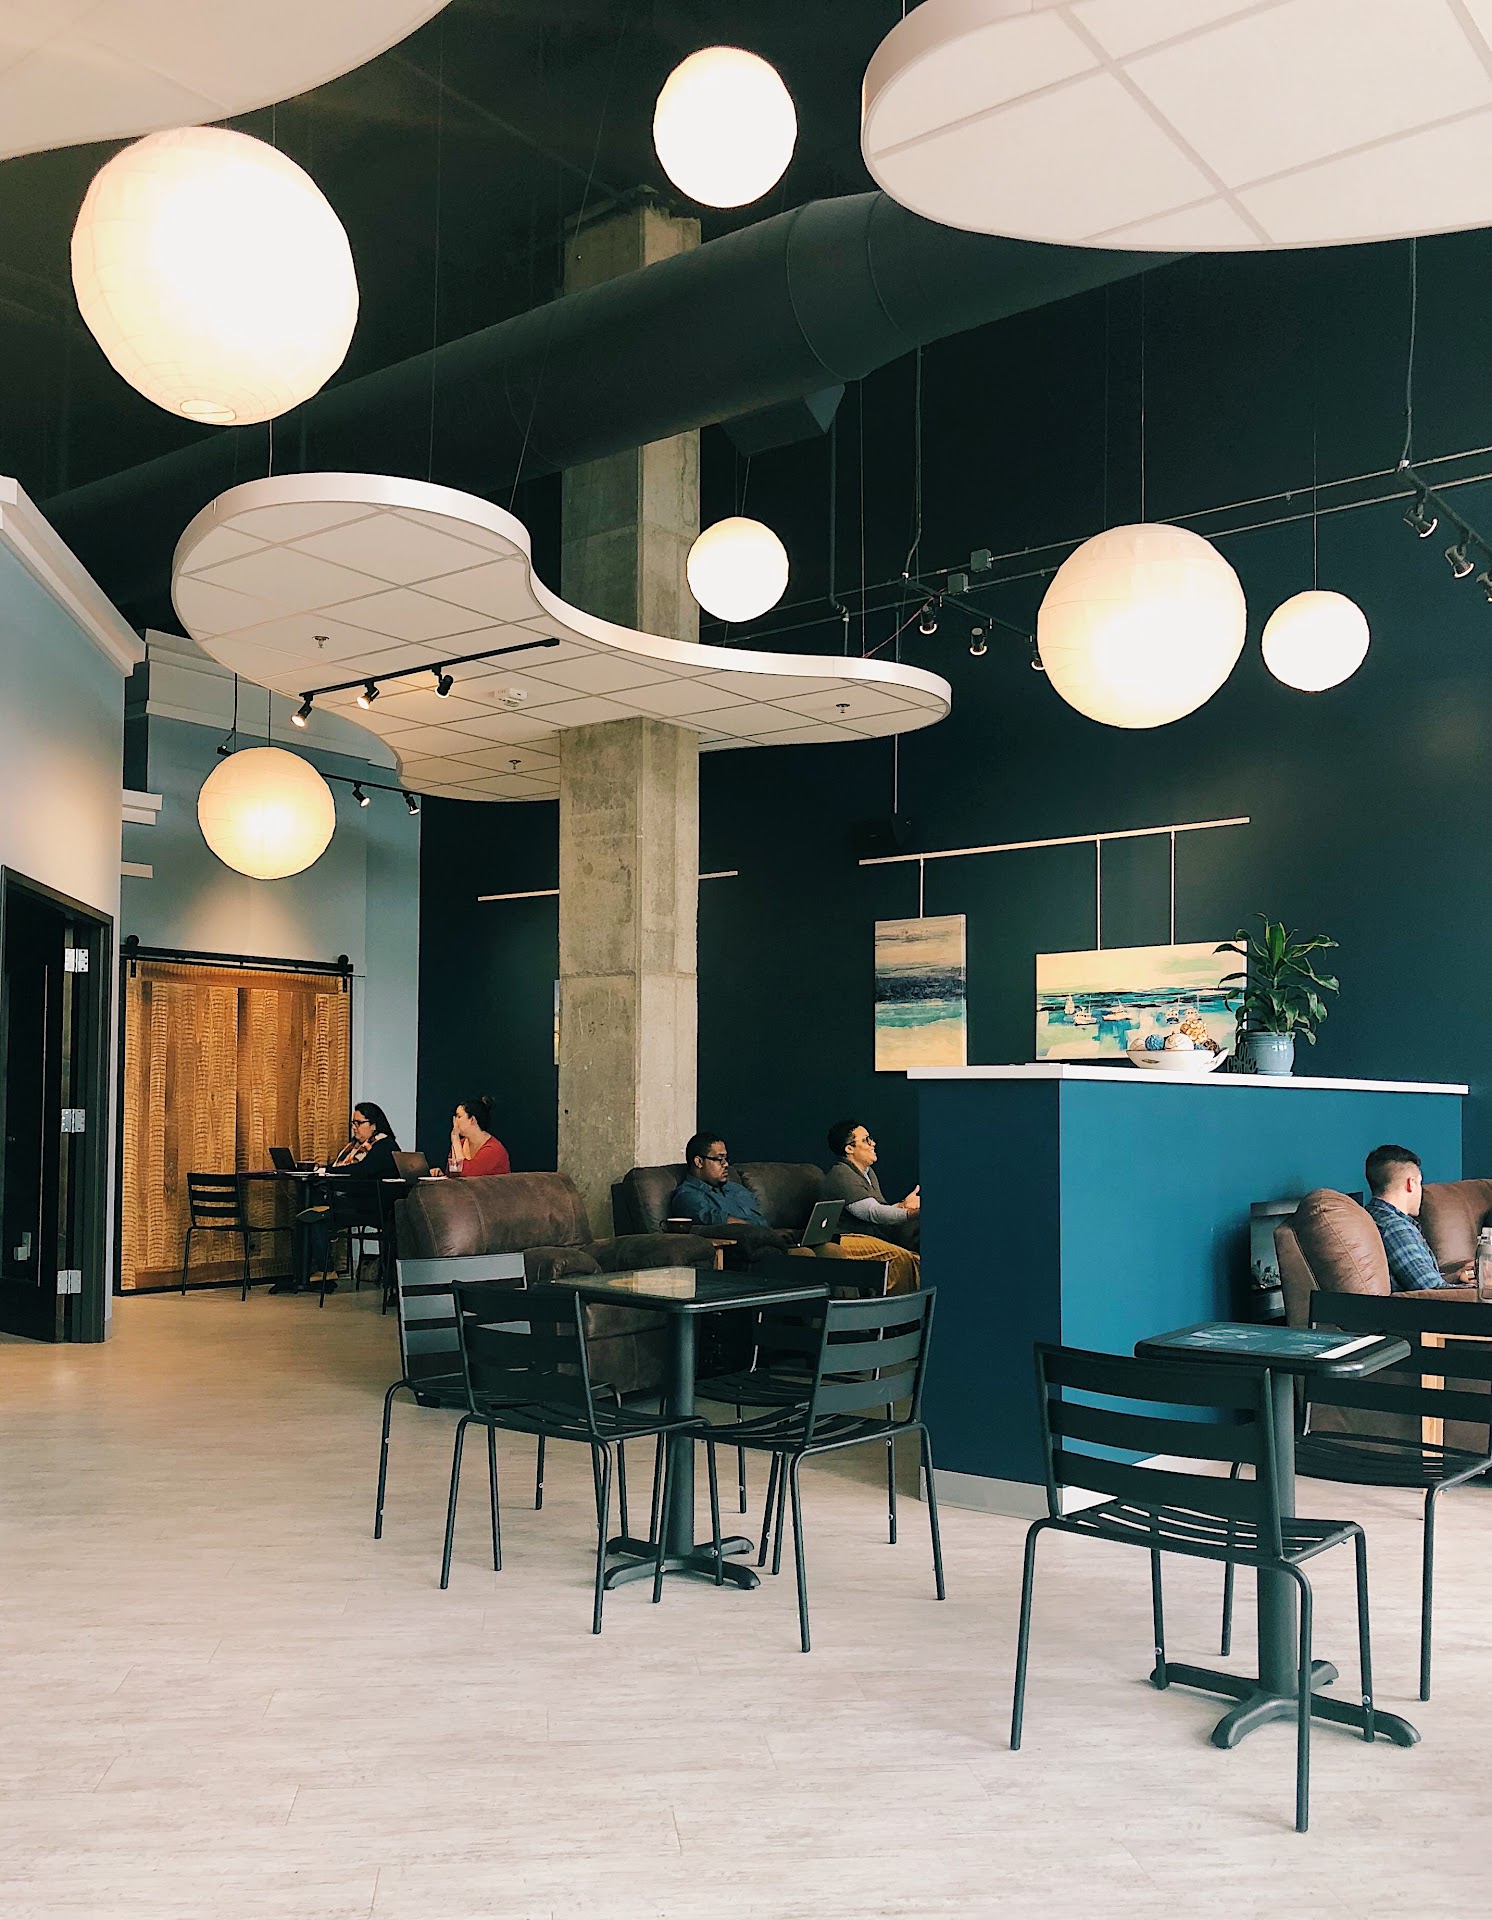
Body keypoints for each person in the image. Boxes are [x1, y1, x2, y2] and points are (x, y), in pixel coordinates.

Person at [280, 1102, 401, 1295]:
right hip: (354, 1201)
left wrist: (326, 1171)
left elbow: (361, 1171)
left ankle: (324, 1269)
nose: (354, 1127)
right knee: (315, 1206)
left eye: (359, 1123)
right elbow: (344, 1168)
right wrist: (323, 1170)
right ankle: (312, 1270)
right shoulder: (354, 1147)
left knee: (318, 1210)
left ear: (374, 1125)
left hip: (372, 1207)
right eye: (353, 1123)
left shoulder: (384, 1146)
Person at [818, 1119, 920, 1293]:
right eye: (866, 1140)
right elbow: (872, 1212)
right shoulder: (841, 1174)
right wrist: (911, 1213)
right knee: (900, 1258)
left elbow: (877, 1207)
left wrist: (903, 1206)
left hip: (866, 1237)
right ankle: (893, 1310)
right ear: (849, 1149)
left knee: (916, 1259)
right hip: (845, 1239)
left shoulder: (867, 1173)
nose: (873, 1143)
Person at [1363, 1143, 1469, 1291]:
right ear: (1411, 1184)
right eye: (1420, 1182)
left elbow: (1422, 1281)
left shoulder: (1375, 1216)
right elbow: (1431, 1291)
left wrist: (1456, 1277)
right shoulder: (1395, 1227)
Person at [669, 1133, 770, 1229]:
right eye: (719, 1159)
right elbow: (723, 1223)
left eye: (726, 1159)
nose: (726, 1164)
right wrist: (763, 1233)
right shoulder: (687, 1196)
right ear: (699, 1162)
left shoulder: (737, 1189)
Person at [446, 1095, 511, 1178]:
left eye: (459, 1116)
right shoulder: (461, 1143)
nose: (455, 1120)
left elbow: (467, 1175)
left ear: (472, 1120)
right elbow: (452, 1173)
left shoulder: (493, 1149)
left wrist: (455, 1141)